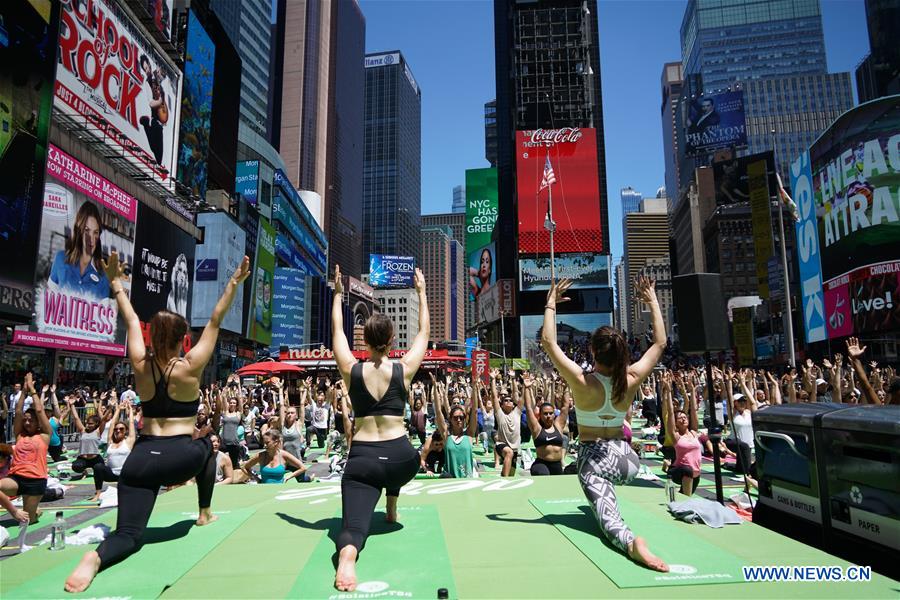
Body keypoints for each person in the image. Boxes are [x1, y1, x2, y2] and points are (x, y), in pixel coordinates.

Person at [64, 251, 250, 593]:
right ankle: (205, 512)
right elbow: (215, 320)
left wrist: (116, 281)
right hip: (181, 457)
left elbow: (133, 321)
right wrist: (234, 283)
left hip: (141, 461)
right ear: (182, 340)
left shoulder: (139, 362)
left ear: (154, 338)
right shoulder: (190, 366)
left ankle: (96, 558)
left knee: (128, 535)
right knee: (209, 446)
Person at [541, 276, 669, 572]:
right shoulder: (633, 378)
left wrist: (550, 301)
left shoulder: (583, 382)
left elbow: (548, 341)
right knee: (604, 482)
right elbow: (660, 342)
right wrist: (651, 298)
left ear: (594, 352)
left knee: (607, 518)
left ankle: (630, 543)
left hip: (595, 458)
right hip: (628, 461)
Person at [330, 264, 429, 592]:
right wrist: (422, 293)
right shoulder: (404, 369)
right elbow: (423, 335)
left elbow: (337, 335)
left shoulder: (351, 370)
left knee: (353, 528)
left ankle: (347, 557)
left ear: (367, 341)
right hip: (402, 462)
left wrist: (338, 295)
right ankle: (391, 505)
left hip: (363, 462)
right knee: (415, 457)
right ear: (390, 339)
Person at [0, 374, 51, 524]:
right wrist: (24, 390)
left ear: (38, 423)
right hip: (16, 478)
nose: (27, 422)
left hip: (36, 481)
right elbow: (18, 411)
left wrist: (33, 390)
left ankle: (35, 513)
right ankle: (15, 510)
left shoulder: (44, 435)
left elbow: (40, 410)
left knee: (29, 521)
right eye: (26, 420)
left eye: (31, 420)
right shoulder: (19, 435)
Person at [48, 201, 110, 301]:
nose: (91, 239)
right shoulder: (60, 258)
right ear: (79, 230)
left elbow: (103, 315)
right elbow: (47, 302)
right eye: (86, 230)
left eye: (96, 232)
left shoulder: (103, 277)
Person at [661, 372, 701, 496]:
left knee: (684, 497)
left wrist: (693, 391)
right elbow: (671, 413)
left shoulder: (694, 432)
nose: (683, 419)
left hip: (695, 473)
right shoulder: (676, 436)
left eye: (685, 417)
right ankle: (669, 466)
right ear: (676, 424)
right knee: (688, 498)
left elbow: (693, 410)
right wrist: (667, 391)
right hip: (679, 471)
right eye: (680, 418)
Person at [432, 375, 479, 478]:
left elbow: (475, 410)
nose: (458, 420)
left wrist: (474, 388)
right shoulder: (446, 435)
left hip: (467, 480)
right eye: (455, 417)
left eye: (461, 417)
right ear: (450, 419)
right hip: (450, 481)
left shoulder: (469, 434)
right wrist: (435, 388)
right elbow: (438, 411)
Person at [523, 373, 569, 476]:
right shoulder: (537, 428)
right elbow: (529, 408)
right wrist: (526, 388)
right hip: (541, 464)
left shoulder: (558, 426)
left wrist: (567, 385)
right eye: (545, 413)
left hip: (556, 465)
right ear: (540, 415)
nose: (548, 415)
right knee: (543, 475)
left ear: (554, 414)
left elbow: (565, 407)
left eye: (550, 413)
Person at [91, 402, 136, 501]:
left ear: (125, 431)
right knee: (98, 466)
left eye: (121, 429)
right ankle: (98, 494)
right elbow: (111, 424)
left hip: (125, 474)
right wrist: (118, 409)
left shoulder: (128, 441)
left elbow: (131, 423)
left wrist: (130, 410)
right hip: (111, 473)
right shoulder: (110, 442)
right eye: (116, 429)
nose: (118, 431)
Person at [68, 395, 113, 480]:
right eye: (87, 423)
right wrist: (72, 405)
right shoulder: (82, 430)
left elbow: (103, 419)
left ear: (96, 424)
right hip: (83, 459)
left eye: (91, 424)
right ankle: (84, 471)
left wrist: (110, 407)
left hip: (95, 459)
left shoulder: (98, 431)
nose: (88, 425)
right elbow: (76, 418)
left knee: (102, 471)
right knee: (76, 466)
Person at [240, 430, 309, 484]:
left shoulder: (284, 455)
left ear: (276, 442)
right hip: (263, 488)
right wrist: (256, 478)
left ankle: (310, 478)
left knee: (303, 479)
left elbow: (303, 468)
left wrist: (288, 477)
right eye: (264, 443)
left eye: (267, 443)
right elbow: (245, 467)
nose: (264, 445)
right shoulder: (260, 456)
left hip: (279, 489)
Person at [490, 370, 522, 477]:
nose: (508, 401)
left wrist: (513, 379)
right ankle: (505, 481)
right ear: (502, 405)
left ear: (513, 404)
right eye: (505, 400)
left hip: (515, 448)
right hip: (502, 445)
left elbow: (518, 396)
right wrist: (493, 379)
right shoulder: (499, 414)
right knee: (509, 453)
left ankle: (503, 478)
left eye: (510, 400)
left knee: (510, 473)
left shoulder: (517, 413)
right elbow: (494, 396)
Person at [166, 253, 190, 317]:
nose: (182, 275)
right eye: (180, 270)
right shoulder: (171, 297)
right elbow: (178, 321)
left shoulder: (183, 299)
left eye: (184, 272)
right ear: (176, 272)